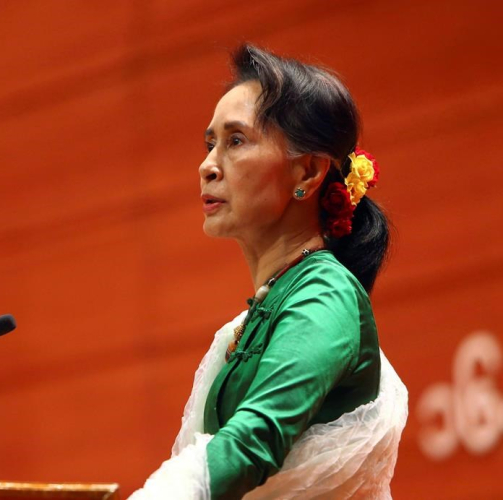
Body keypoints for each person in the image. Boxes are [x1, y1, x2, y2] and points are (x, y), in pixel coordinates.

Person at [129, 45, 408, 499]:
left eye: (235, 141)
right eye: (210, 143)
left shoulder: (325, 294)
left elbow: (253, 441)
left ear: (309, 172)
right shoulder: (277, 299)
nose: (207, 166)